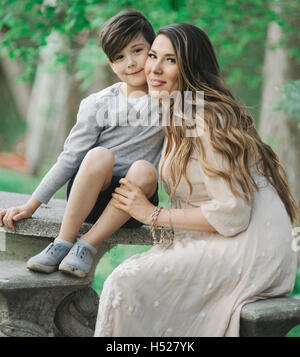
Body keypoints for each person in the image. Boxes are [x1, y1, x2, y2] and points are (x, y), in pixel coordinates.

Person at [94, 23, 299, 337]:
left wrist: (152, 215)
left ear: (191, 68)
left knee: (125, 281)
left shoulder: (206, 118)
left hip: (251, 247)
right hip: (228, 238)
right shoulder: (178, 112)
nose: (155, 68)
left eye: (171, 60)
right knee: (132, 282)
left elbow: (233, 213)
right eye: (152, 56)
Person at [0, 10, 165, 278]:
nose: (131, 62)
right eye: (120, 57)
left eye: (138, 50)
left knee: (146, 169)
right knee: (99, 155)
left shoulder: (170, 102)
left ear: (153, 50)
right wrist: (31, 205)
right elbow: (69, 158)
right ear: (112, 64)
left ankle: (86, 246)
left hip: (133, 205)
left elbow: (176, 159)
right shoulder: (98, 103)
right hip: (89, 198)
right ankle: (63, 242)